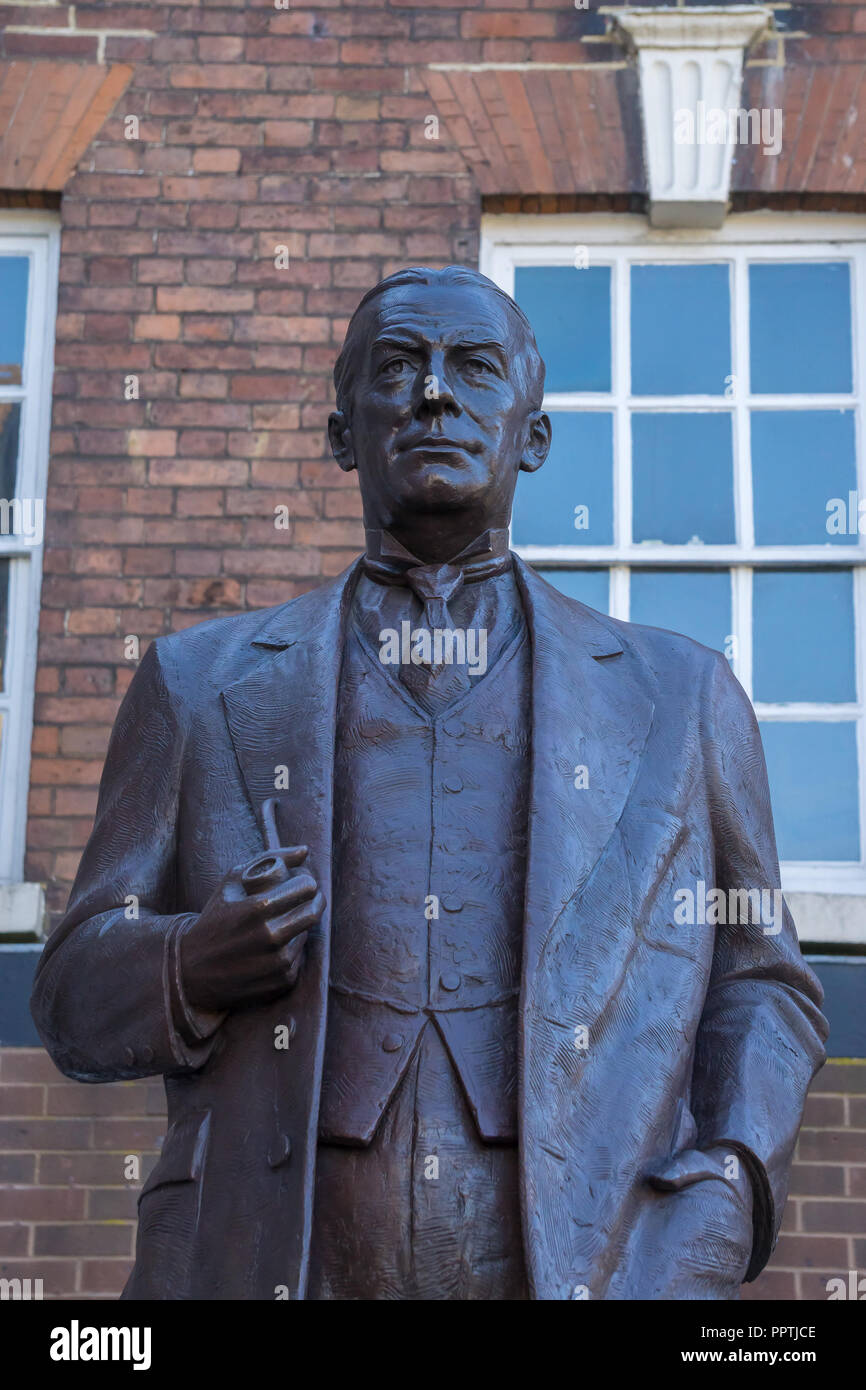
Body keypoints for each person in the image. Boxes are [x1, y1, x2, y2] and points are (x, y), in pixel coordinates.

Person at [31, 266, 828, 1300]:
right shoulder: (198, 683)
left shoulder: (681, 697)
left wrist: (728, 1189)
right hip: (262, 1260)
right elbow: (70, 995)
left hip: (591, 1266)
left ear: (531, 437)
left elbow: (762, 983)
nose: (434, 393)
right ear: (338, 434)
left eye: (474, 369)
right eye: (398, 367)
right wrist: (190, 960)